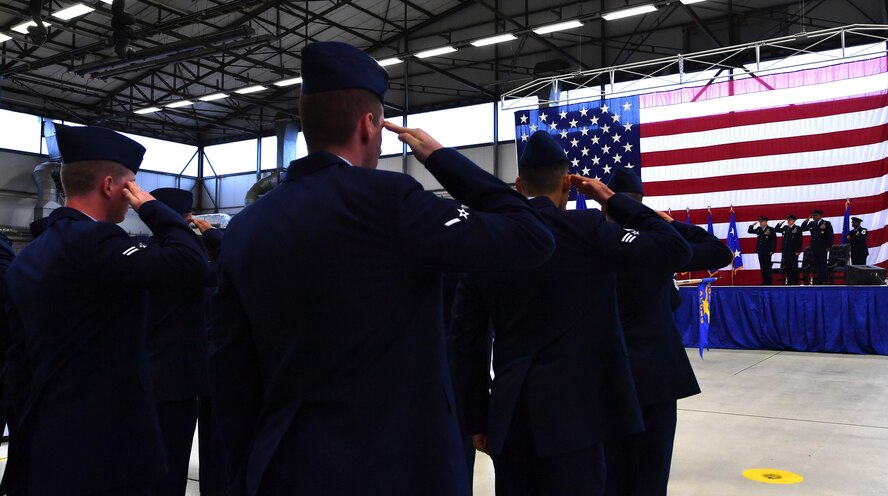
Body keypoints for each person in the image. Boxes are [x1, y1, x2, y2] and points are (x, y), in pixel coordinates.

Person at [208, 41, 555, 496]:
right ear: (369, 125)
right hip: (399, 466)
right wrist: (442, 158)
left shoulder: (247, 227)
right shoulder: (391, 202)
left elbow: (231, 376)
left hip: (286, 465)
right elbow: (532, 235)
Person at [448, 132, 693, 496]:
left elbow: (465, 340)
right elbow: (675, 248)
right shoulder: (588, 231)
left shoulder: (490, 239)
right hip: (581, 415)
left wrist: (476, 417)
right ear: (568, 183)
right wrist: (611, 200)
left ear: (519, 183)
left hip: (512, 414)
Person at [1, 126, 209, 495]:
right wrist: (152, 207)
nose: (136, 194)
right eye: (133, 184)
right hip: (105, 448)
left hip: (44, 441)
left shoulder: (29, 256)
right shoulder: (97, 243)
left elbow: (18, 362)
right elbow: (191, 262)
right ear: (111, 185)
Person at [603, 168, 733, 496]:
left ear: (604, 204)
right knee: (651, 472)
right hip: (657, 375)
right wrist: (668, 223)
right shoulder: (661, 246)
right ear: (641, 205)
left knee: (609, 473)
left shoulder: (593, 240)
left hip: (605, 375)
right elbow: (720, 252)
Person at [145, 187, 210, 496]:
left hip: (139, 377)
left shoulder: (139, 252)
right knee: (172, 464)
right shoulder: (194, 261)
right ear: (186, 219)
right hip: (179, 380)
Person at [801, 209, 833, 284]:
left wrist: (828, 246)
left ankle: (824, 280)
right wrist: (806, 221)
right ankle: (818, 279)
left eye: (815, 216)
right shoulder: (812, 224)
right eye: (812, 216)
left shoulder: (826, 223)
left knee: (823, 264)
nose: (813, 217)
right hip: (814, 247)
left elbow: (830, 235)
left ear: (819, 215)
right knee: (816, 264)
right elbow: (803, 228)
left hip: (822, 248)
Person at [747, 216, 777, 285]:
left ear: (766, 222)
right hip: (760, 251)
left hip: (767, 251)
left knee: (767, 267)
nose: (760, 223)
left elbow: (773, 241)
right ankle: (764, 281)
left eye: (761, 222)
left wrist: (772, 250)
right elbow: (750, 231)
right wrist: (752, 225)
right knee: (762, 267)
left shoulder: (771, 230)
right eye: (759, 222)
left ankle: (769, 282)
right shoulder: (759, 229)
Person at [775, 214, 803, 285]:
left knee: (793, 266)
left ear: (793, 221)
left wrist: (798, 250)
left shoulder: (797, 228)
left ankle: (795, 281)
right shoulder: (785, 228)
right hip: (786, 251)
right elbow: (776, 230)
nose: (788, 221)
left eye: (789, 220)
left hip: (793, 251)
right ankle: (789, 280)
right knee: (787, 267)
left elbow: (799, 240)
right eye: (787, 220)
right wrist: (779, 224)